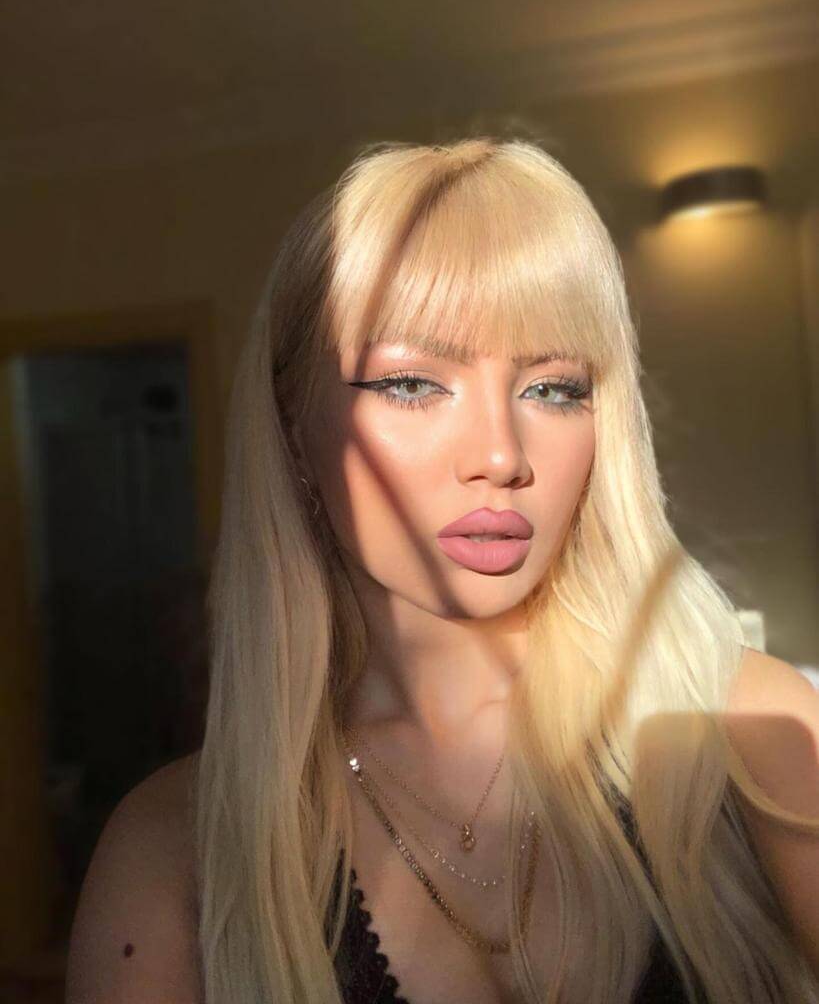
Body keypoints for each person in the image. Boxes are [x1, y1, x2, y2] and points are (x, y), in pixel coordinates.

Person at [65, 137, 819, 1004]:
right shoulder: (174, 850)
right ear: (293, 430)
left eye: (553, 389)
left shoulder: (748, 733)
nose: (500, 456)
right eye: (412, 384)